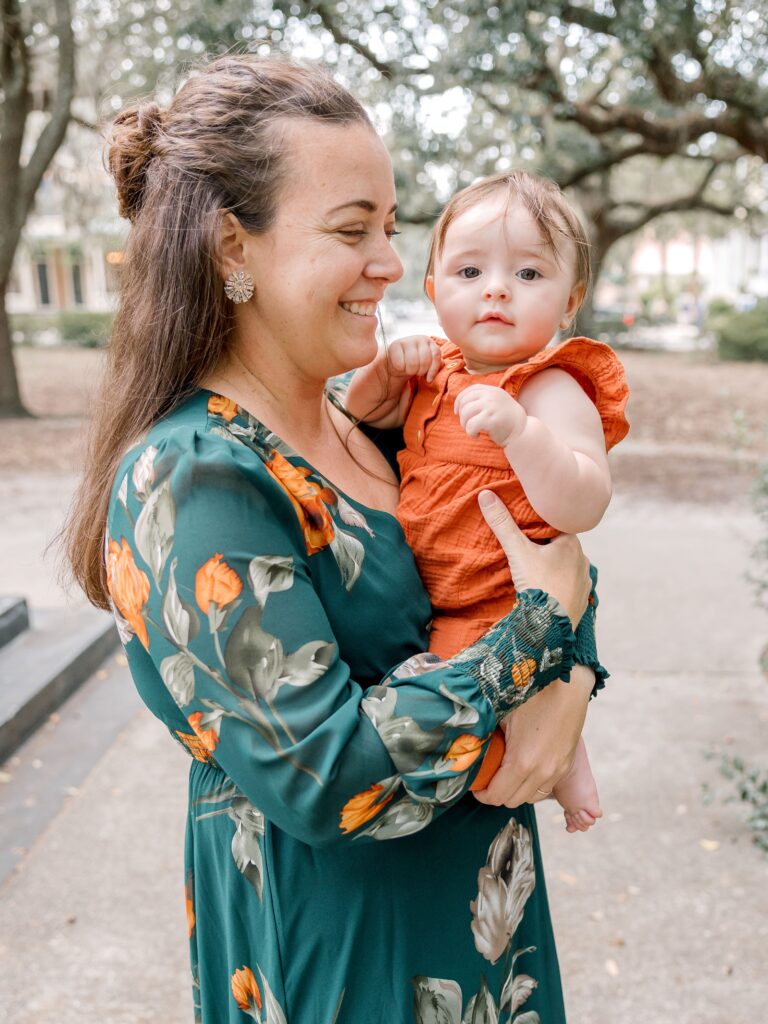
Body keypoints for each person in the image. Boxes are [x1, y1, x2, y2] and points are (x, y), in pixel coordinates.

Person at [65, 56, 600, 1024]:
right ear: (234, 248)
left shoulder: (371, 424)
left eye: (391, 229)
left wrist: (571, 665)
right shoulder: (194, 478)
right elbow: (328, 777)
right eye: (354, 230)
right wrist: (542, 638)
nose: (394, 264)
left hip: (481, 927)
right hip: (345, 962)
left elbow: (516, 549)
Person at [347, 171, 630, 835]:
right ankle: (560, 751)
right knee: (462, 704)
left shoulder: (551, 386)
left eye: (529, 274)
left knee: (471, 739)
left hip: (497, 597)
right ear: (434, 289)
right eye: (470, 270)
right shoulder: (433, 372)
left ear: (570, 301)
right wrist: (383, 373)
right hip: (439, 594)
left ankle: (561, 762)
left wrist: (522, 434)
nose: (497, 289)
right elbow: (355, 417)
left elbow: (584, 502)